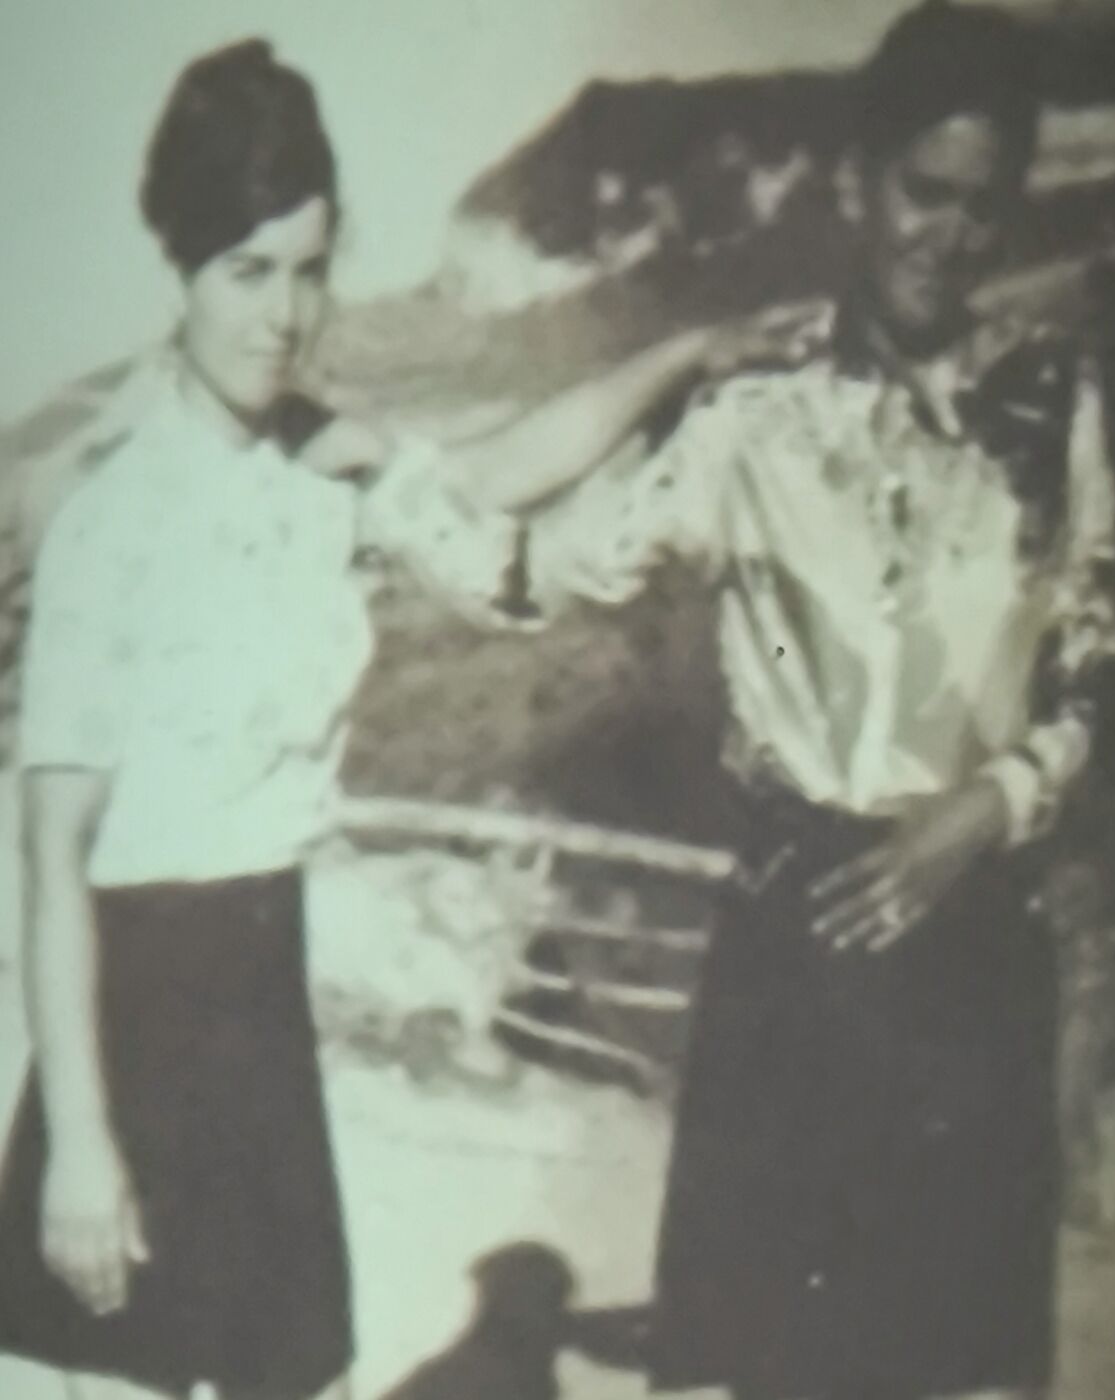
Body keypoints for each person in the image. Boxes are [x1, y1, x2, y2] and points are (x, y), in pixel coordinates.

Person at [0, 38, 774, 1400]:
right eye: (247, 271)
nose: (284, 315)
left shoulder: (319, 465)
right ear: (181, 265)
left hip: (261, 1004)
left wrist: (680, 355)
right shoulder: (108, 516)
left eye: (309, 270)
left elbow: (497, 473)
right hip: (133, 1024)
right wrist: (80, 1146)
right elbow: (54, 860)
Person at [523, 5, 1115, 1397]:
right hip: (794, 953)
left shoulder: (1051, 399)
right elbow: (527, 565)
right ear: (859, 184)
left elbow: (1098, 666)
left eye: (985, 204)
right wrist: (674, 361)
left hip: (975, 959)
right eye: (924, 190)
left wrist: (988, 806)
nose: (952, 234)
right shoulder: (754, 411)